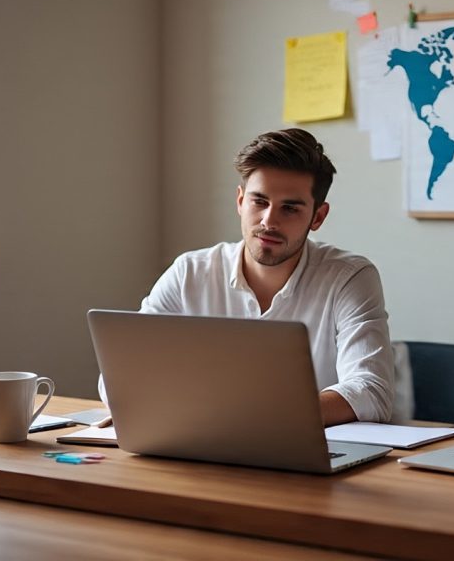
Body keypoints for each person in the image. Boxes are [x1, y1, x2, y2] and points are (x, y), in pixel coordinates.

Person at [98, 128, 394, 425]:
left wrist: (252, 417)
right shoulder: (190, 272)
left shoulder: (350, 277)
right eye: (259, 202)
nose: (269, 221)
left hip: (303, 452)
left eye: (289, 208)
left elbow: (371, 391)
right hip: (195, 442)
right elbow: (121, 372)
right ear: (240, 202)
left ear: (317, 217)